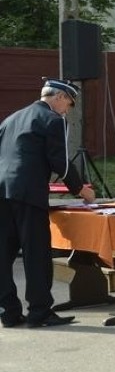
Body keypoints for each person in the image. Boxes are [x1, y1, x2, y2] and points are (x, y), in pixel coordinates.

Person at [0, 79, 95, 328]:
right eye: (70, 104)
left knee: (2, 255)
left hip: (2, 192)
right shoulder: (53, 120)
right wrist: (80, 189)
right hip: (28, 194)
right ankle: (39, 312)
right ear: (60, 97)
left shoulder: (11, 119)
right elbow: (60, 162)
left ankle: (8, 312)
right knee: (37, 255)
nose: (68, 110)